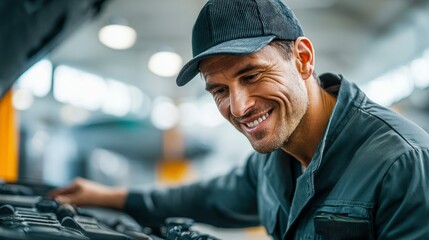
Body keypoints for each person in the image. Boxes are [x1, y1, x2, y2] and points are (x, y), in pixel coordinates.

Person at [50, 0, 429, 239]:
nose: (240, 106)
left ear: (303, 58)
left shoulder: (402, 164)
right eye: (219, 90)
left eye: (251, 75)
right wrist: (111, 197)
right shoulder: (272, 163)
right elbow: (207, 199)